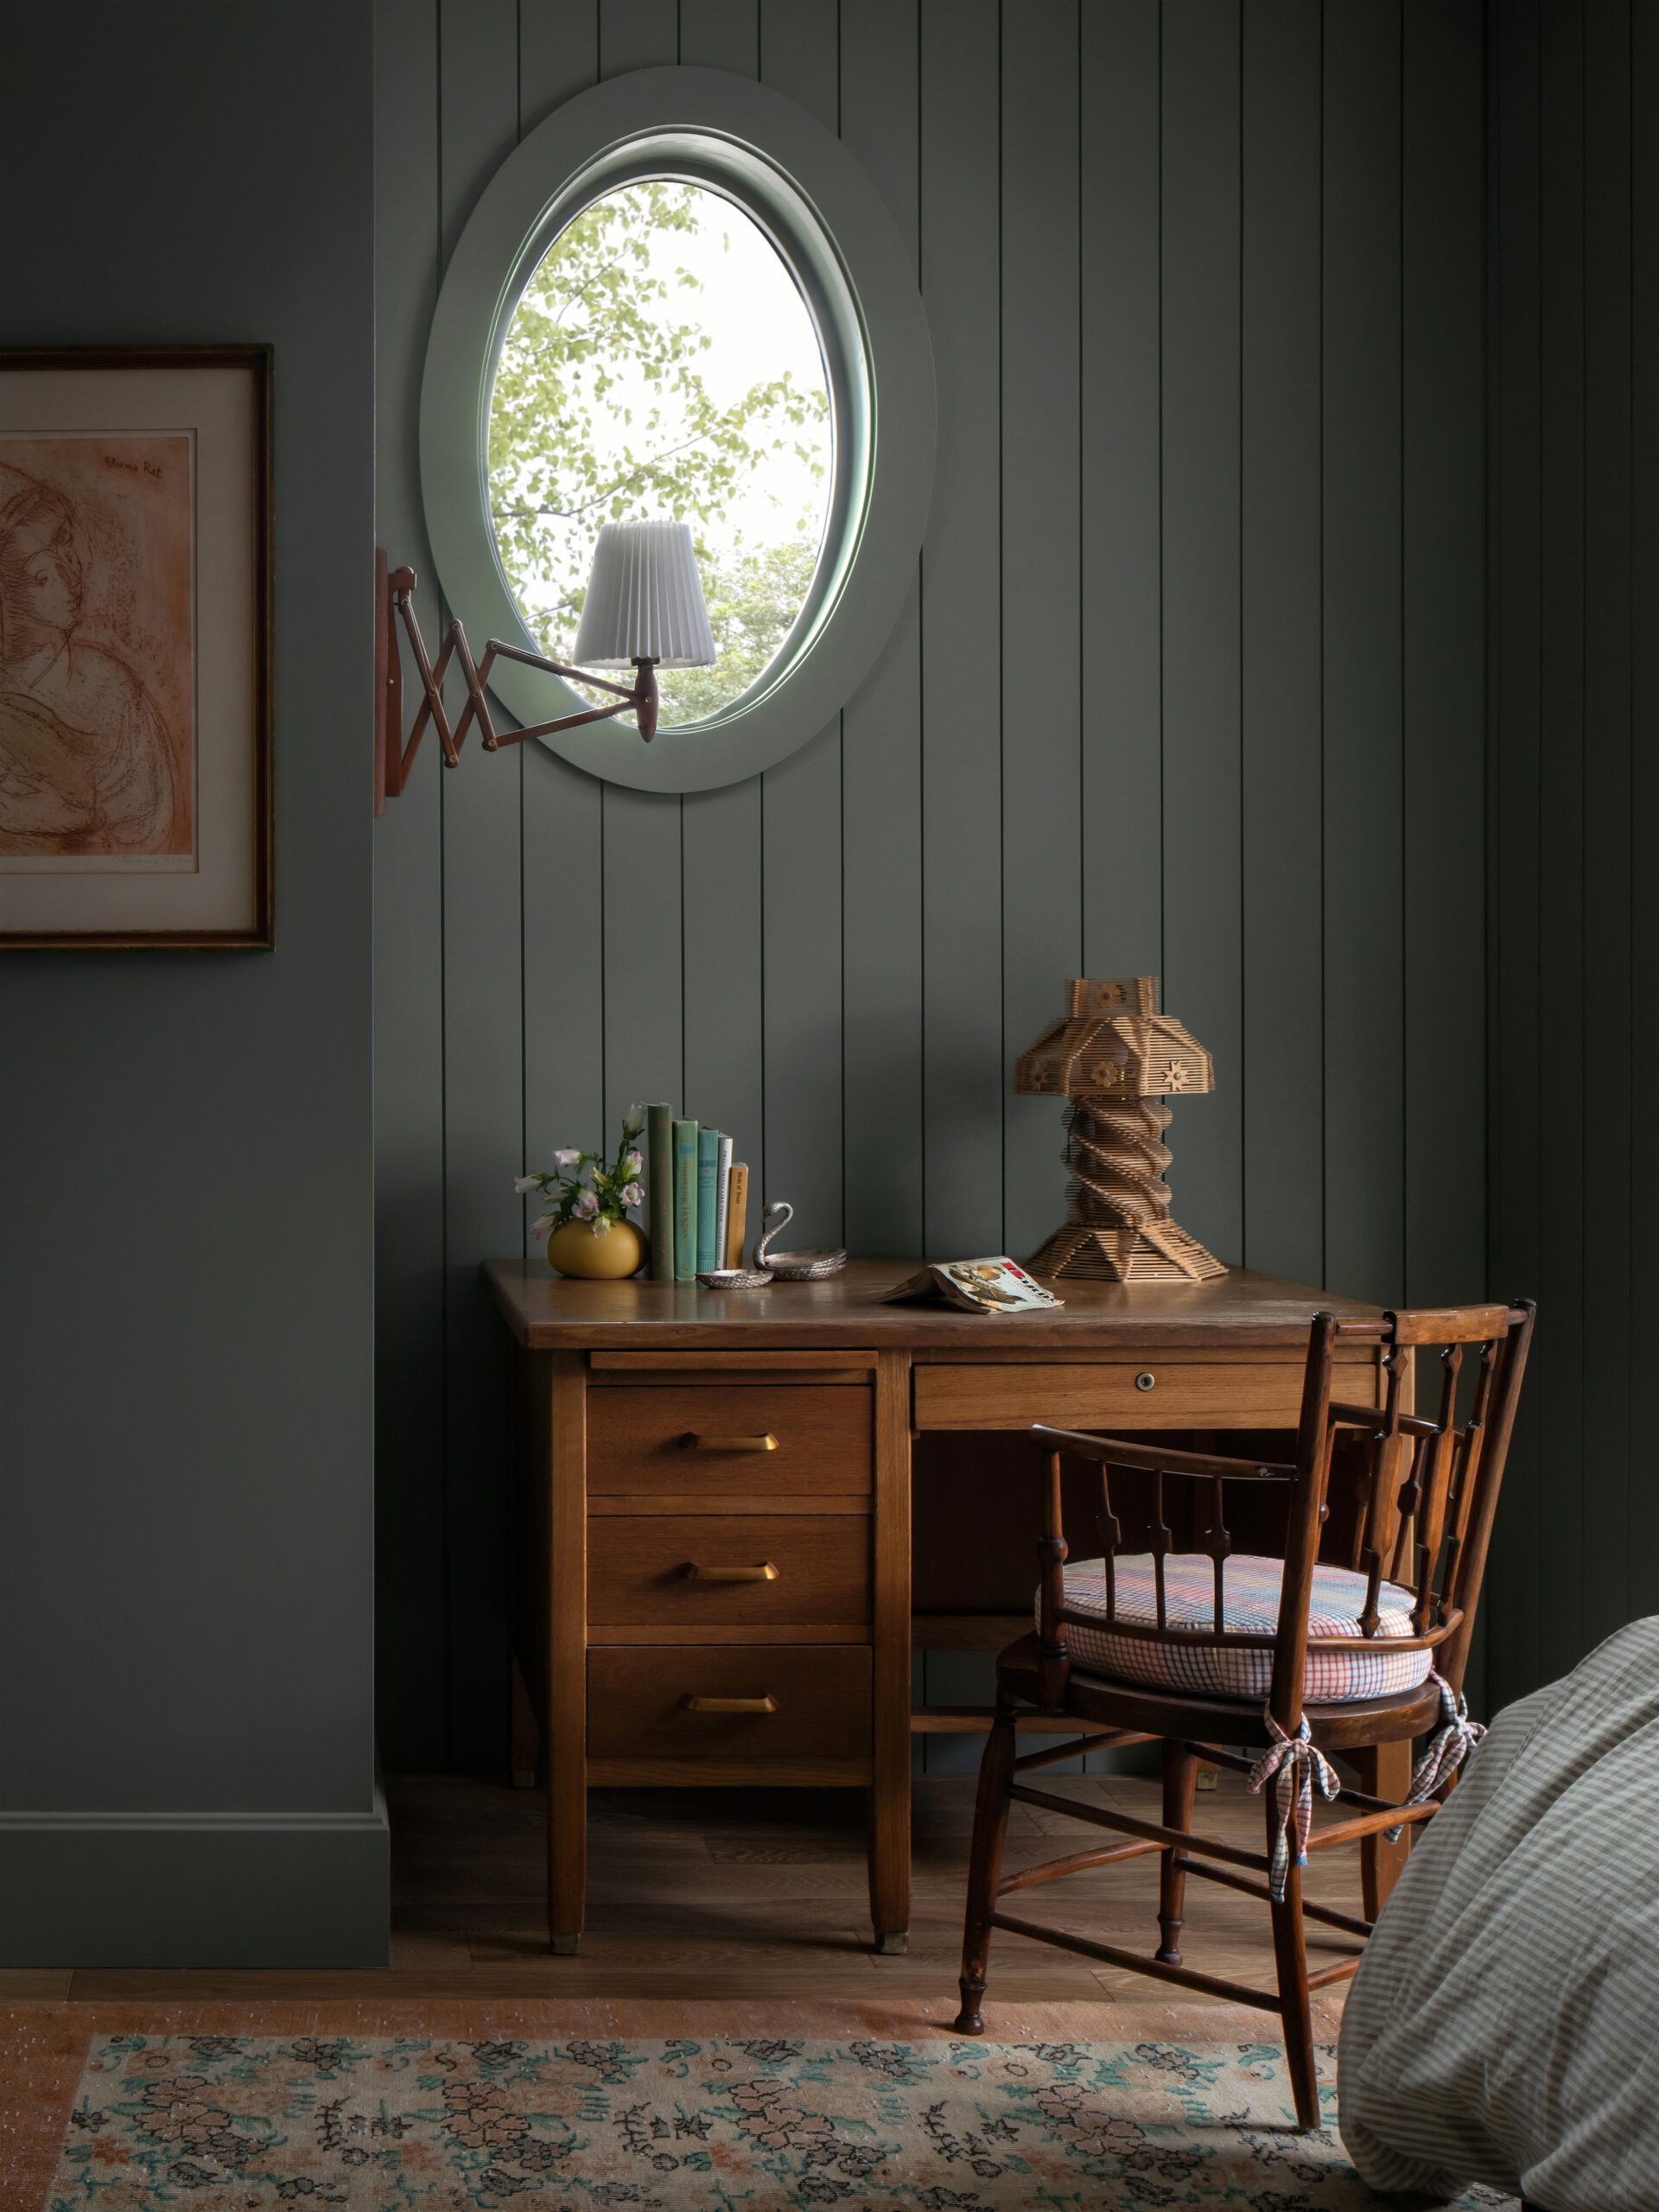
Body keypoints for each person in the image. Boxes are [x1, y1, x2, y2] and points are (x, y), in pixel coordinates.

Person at [0, 462, 181, 856]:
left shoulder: (111, 690)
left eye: (67, 548)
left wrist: (73, 820)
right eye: (41, 573)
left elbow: (148, 835)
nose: (73, 574)